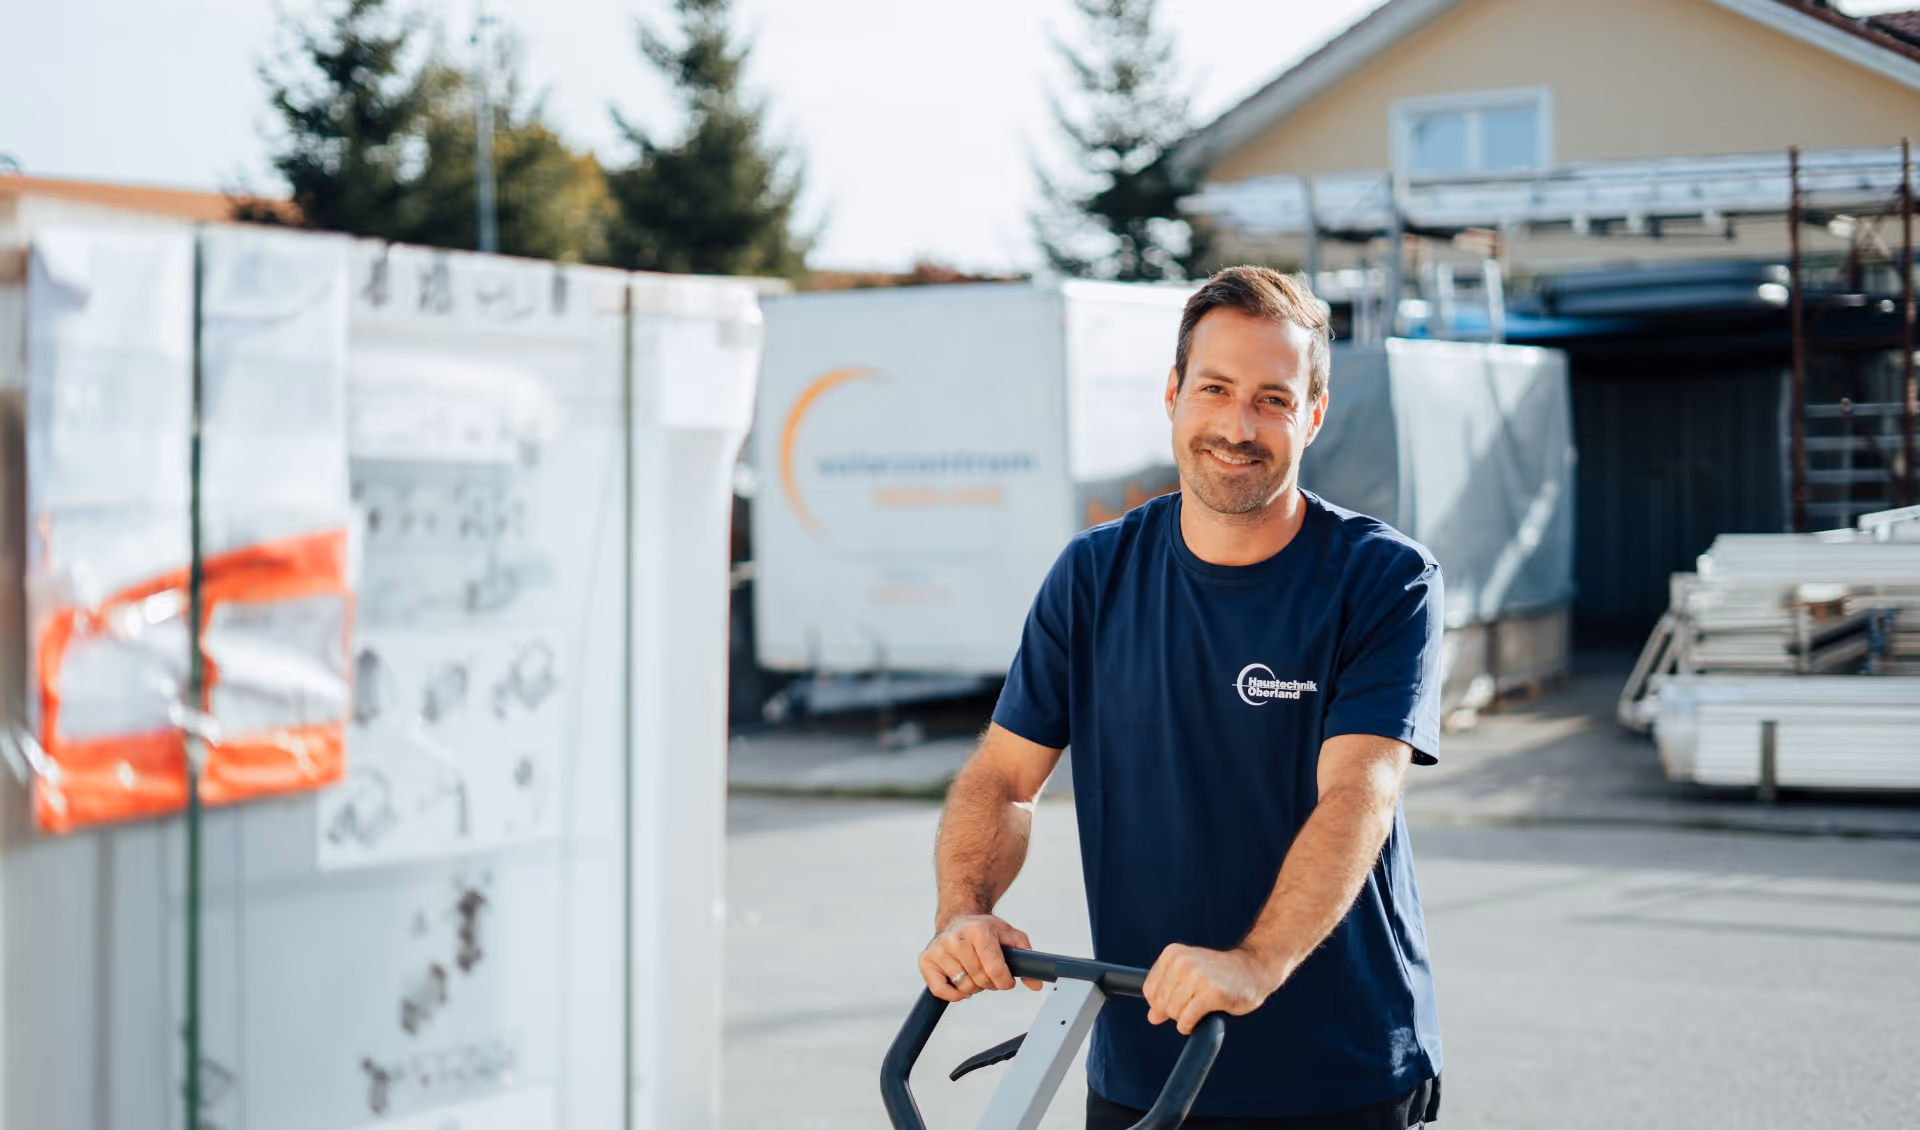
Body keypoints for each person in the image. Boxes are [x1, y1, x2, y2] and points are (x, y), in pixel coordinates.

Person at [918, 266, 1445, 1129]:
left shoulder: (1381, 580)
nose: (1238, 426)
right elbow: (1005, 777)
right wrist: (962, 912)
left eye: (1273, 400)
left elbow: (1360, 794)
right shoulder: (1094, 575)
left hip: (1341, 1074)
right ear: (1173, 394)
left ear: (1312, 417)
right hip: (1144, 1067)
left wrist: (1252, 962)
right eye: (1216, 389)